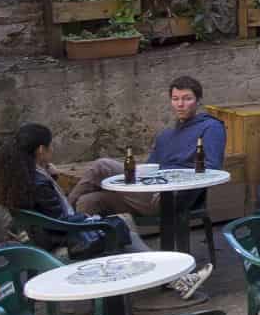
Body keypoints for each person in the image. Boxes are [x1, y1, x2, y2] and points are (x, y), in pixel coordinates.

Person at [0, 125, 216, 300]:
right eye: (50, 147)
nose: (52, 151)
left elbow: (48, 211)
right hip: (59, 238)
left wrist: (52, 175)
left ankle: (170, 279)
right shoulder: (39, 182)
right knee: (120, 225)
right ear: (40, 150)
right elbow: (61, 220)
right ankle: (175, 280)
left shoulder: (20, 176)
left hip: (43, 236)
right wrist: (89, 219)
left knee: (116, 218)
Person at [69, 77, 223, 283]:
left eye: (187, 98)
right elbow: (150, 169)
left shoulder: (211, 127)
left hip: (176, 197)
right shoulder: (166, 136)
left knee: (102, 166)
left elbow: (211, 167)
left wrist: (177, 181)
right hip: (149, 192)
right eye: (176, 99)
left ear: (198, 100)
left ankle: (64, 218)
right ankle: (100, 270)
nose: (180, 104)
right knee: (88, 202)